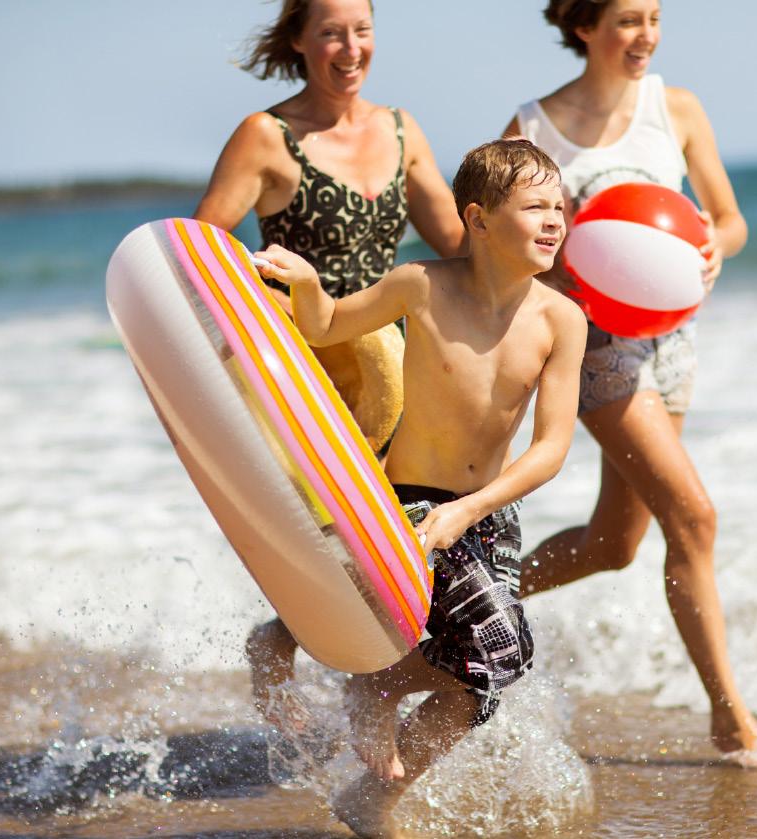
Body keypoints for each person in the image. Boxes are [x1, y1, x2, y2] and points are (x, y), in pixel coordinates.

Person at [254, 138, 587, 839]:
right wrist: (307, 284)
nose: (554, 220)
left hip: (487, 510)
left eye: (558, 207)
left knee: (487, 679)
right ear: (479, 219)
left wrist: (471, 510)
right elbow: (326, 327)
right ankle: (369, 683)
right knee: (501, 650)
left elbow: (551, 447)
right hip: (409, 499)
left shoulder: (561, 318)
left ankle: (370, 793)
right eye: (535, 207)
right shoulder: (421, 285)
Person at [504, 0, 757, 763]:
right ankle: (731, 720)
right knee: (693, 517)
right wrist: (559, 267)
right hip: (595, 345)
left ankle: (464, 601)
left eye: (653, 17)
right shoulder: (532, 128)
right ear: (583, 26)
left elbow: (728, 219)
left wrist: (714, 248)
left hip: (673, 340)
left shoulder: (674, 108)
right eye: (627, 19)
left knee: (613, 543)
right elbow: (494, 242)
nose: (646, 35)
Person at [193, 0, 466, 725]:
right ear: (299, 41)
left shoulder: (401, 129)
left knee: (398, 530)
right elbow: (205, 255)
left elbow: (455, 245)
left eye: (362, 31)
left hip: (399, 360)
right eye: (331, 33)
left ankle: (316, 652)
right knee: (349, 534)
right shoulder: (266, 135)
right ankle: (332, 667)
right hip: (310, 365)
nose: (350, 48)